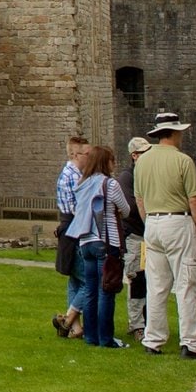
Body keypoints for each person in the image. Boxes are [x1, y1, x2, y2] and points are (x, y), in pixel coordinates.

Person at [132, 110, 196, 360]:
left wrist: (149, 223)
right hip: (177, 221)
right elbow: (195, 199)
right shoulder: (182, 160)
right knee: (187, 282)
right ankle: (191, 343)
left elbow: (139, 198)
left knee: (157, 285)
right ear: (176, 133)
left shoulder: (142, 161)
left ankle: (153, 339)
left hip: (154, 222)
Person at [60, 145, 127, 347]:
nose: (114, 164)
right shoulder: (110, 184)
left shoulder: (82, 184)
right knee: (106, 289)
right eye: (112, 160)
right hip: (105, 243)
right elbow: (125, 209)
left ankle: (91, 336)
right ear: (105, 162)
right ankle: (106, 338)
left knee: (90, 290)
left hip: (85, 242)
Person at [52, 136, 90, 337]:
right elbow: (79, 209)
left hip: (68, 228)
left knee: (75, 279)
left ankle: (76, 328)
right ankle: (67, 320)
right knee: (87, 280)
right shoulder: (74, 176)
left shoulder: (69, 173)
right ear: (76, 154)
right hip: (74, 230)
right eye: (87, 154)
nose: (89, 157)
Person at [122, 136, 151, 341]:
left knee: (153, 281)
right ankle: (137, 325)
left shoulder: (149, 175)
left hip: (149, 235)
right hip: (135, 236)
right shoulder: (127, 177)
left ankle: (149, 322)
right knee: (136, 280)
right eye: (143, 153)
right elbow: (130, 208)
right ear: (134, 156)